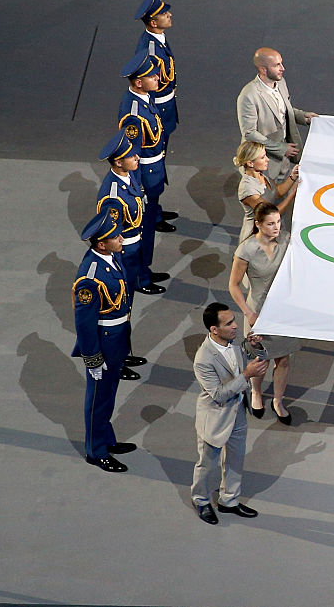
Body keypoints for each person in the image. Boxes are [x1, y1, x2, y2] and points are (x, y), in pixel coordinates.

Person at [191, 302, 269, 524]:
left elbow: (251, 356)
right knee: (207, 464)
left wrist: (256, 346)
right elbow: (218, 394)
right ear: (214, 329)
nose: (235, 326)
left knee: (235, 459)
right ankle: (200, 500)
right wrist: (246, 375)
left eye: (234, 321)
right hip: (215, 417)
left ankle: (229, 500)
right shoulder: (203, 359)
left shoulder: (233, 344)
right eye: (229, 324)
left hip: (238, 412)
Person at [72, 210, 136, 472]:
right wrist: (93, 358)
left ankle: (107, 439)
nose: (121, 238)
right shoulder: (90, 276)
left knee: (109, 395)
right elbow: (85, 324)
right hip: (104, 340)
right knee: (98, 398)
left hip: (117, 338)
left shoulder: (111, 257)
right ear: (101, 244)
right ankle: (96, 450)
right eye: (115, 236)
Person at [96, 131, 163, 381]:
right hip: (122, 255)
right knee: (118, 311)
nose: (137, 157)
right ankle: (114, 361)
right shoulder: (112, 194)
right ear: (117, 162)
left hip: (133, 250)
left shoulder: (129, 176)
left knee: (128, 308)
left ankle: (124, 353)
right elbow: (110, 233)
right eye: (131, 156)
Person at [228, 202, 302, 424]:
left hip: (283, 311)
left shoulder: (287, 240)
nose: (276, 227)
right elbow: (233, 285)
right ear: (258, 224)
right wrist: (248, 314)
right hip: (258, 311)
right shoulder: (246, 250)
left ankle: (278, 401)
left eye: (278, 222)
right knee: (261, 359)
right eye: (270, 224)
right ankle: (256, 392)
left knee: (284, 358)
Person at [118, 49, 172, 304]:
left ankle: (145, 271)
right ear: (138, 82)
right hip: (144, 178)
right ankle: (140, 277)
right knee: (142, 231)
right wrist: (137, 189)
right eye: (152, 77)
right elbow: (131, 154)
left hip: (154, 171)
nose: (158, 78)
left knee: (149, 228)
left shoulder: (145, 98)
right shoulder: (133, 112)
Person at [236, 47, 318, 183]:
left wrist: (303, 117)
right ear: (263, 69)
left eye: (281, 63)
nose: (282, 68)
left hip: (283, 158)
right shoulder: (249, 95)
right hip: (262, 161)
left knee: (283, 188)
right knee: (265, 192)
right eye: (277, 65)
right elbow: (249, 132)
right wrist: (281, 148)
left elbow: (284, 109)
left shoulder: (281, 83)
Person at [134, 0, 179, 224]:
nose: (169, 15)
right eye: (164, 14)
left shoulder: (158, 40)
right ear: (153, 22)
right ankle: (148, 215)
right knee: (151, 166)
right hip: (158, 111)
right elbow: (148, 85)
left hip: (165, 108)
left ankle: (155, 208)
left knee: (158, 163)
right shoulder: (150, 48)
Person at [233, 140, 300, 242]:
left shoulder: (261, 174)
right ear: (250, 163)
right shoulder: (248, 189)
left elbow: (277, 192)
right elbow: (271, 214)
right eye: (263, 157)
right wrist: (292, 194)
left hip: (269, 230)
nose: (267, 159)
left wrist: (292, 177)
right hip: (256, 238)